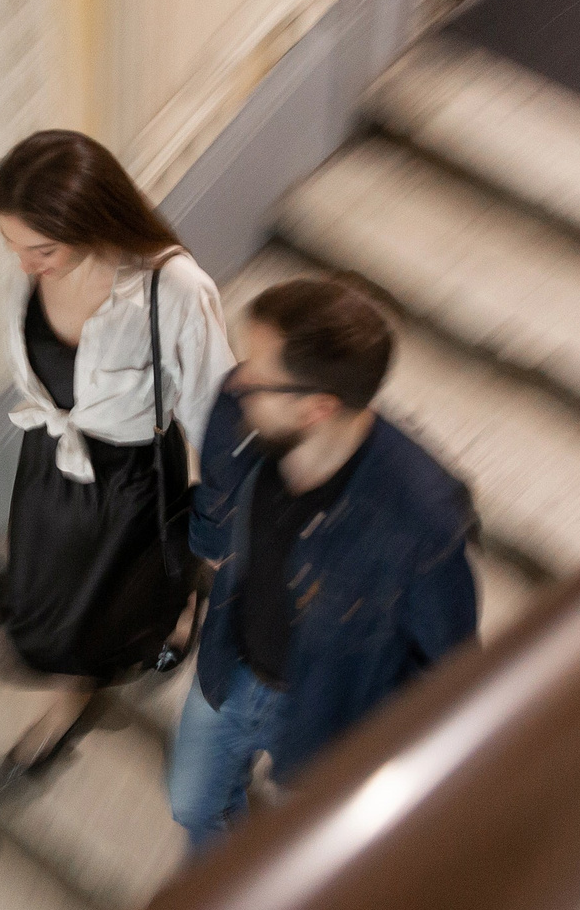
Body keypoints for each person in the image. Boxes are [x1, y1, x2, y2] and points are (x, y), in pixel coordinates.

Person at [165, 274, 477, 852]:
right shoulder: (238, 420)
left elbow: (448, 666)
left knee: (308, 838)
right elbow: (212, 511)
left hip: (328, 710)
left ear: (317, 408)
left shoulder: (421, 523)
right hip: (231, 664)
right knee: (193, 804)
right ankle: (216, 882)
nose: (238, 381)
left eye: (259, 376)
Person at [0, 130, 234, 790]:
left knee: (122, 585)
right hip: (49, 455)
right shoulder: (34, 270)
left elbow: (215, 403)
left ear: (91, 220)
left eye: (42, 249)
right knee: (49, 575)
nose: (24, 265)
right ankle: (101, 654)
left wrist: (224, 509)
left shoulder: (171, 288)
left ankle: (155, 625)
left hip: (131, 475)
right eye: (11, 245)